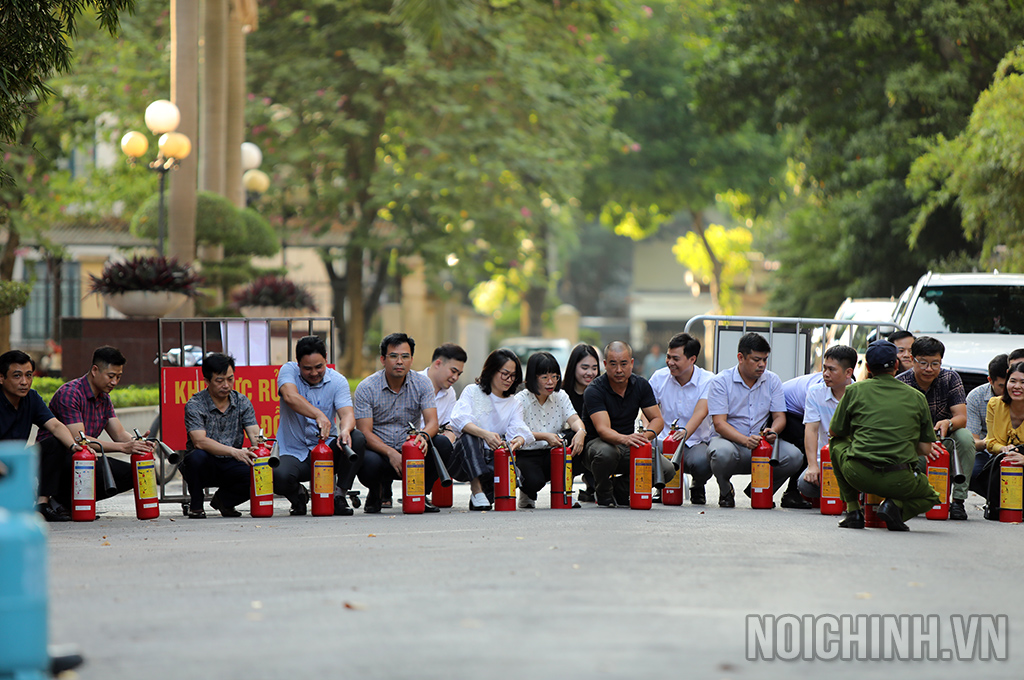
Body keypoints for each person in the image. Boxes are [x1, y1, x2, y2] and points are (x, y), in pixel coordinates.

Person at [830, 340, 940, 531]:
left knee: (836, 443)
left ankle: (853, 511)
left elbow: (835, 432)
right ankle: (895, 506)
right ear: (896, 365)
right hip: (900, 479)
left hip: (858, 474)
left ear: (868, 367)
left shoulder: (854, 390)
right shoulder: (917, 397)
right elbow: (925, 448)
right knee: (931, 497)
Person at [38, 346, 155, 517]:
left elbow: (119, 434)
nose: (114, 382)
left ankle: (66, 502)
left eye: (118, 377)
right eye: (111, 376)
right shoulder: (70, 394)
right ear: (94, 370)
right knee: (83, 461)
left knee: (133, 474)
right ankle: (52, 499)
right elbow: (79, 439)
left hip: (85, 459)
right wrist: (124, 447)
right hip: (56, 461)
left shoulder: (104, 399)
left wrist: (138, 444)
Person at [705, 333, 804, 507]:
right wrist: (744, 440)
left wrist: (774, 430)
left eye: (765, 360)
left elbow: (779, 417)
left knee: (794, 456)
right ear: (740, 357)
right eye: (756, 360)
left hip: (761, 444)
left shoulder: (772, 380)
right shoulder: (721, 382)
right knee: (721, 453)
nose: (762, 365)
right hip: (730, 443)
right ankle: (725, 489)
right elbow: (719, 424)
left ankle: (760, 489)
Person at [273, 335, 366, 516]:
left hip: (327, 451)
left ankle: (339, 496)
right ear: (298, 364)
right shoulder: (288, 370)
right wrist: (318, 414)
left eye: (319, 367)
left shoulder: (338, 380)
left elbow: (347, 414)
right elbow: (290, 396)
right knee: (277, 475)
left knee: (356, 438)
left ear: (326, 359)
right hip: (293, 452)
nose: (314, 373)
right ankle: (298, 496)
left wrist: (345, 430)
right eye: (307, 368)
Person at [354, 333, 443, 514]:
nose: (399, 362)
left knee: (442, 444)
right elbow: (364, 432)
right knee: (365, 458)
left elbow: (433, 422)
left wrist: (423, 436)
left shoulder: (423, 384)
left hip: (412, 449)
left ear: (411, 360)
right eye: (393, 356)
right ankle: (376, 491)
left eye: (405, 356)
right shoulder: (366, 387)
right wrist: (391, 453)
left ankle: (420, 493)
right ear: (383, 359)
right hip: (380, 453)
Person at [582, 341, 674, 508]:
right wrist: (626, 439)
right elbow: (603, 430)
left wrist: (643, 437)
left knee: (666, 470)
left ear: (631, 363)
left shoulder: (641, 385)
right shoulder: (594, 390)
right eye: (613, 364)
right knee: (607, 453)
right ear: (605, 364)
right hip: (598, 446)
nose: (619, 370)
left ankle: (619, 490)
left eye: (623, 364)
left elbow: (657, 420)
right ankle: (603, 491)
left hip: (627, 445)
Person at [896, 336, 976, 520]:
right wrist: (922, 444)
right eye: (923, 363)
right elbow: (898, 427)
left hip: (944, 442)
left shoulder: (950, 378)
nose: (929, 369)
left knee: (965, 437)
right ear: (912, 359)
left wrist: (948, 423)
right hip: (913, 446)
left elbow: (961, 418)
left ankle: (958, 501)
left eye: (935, 364)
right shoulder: (900, 384)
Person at [0, 350, 81, 522]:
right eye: (17, 376)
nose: (24, 382)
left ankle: (42, 504)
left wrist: (74, 447)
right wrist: (17, 477)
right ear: (1, 378)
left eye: (29, 375)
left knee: (55, 444)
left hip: (19, 461)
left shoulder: (32, 398)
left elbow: (55, 426)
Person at [449, 348, 534, 510]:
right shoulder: (472, 391)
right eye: (505, 374)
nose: (509, 379)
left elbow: (519, 429)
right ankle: (476, 489)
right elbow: (458, 420)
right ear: (492, 370)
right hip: (464, 458)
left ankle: (482, 494)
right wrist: (485, 434)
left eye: (513, 375)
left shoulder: (514, 403)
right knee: (470, 436)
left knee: (511, 469)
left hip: (492, 458)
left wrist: (518, 441)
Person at [179, 353, 261, 518]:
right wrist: (234, 451)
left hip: (231, 462)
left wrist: (259, 446)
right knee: (195, 458)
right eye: (219, 380)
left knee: (259, 472)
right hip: (206, 464)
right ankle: (196, 505)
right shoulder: (195, 404)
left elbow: (254, 433)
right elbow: (199, 441)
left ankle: (224, 501)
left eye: (230, 379)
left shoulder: (242, 401)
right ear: (207, 381)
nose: (226, 385)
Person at [648, 332, 714, 505]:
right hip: (663, 440)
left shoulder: (708, 380)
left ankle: (698, 485)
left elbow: (701, 412)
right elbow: (647, 411)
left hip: (694, 443)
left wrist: (684, 433)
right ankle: (660, 484)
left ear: (692, 359)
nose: (670, 362)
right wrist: (646, 435)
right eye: (668, 357)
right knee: (645, 449)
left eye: (675, 359)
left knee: (703, 462)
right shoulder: (659, 377)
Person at [514, 352, 586, 508]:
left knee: (576, 438)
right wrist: (545, 436)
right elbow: (516, 431)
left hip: (553, 450)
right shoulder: (520, 399)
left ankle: (565, 491)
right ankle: (527, 493)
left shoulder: (561, 396)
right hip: (527, 453)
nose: (551, 382)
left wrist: (581, 431)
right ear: (533, 378)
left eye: (554, 377)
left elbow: (574, 419)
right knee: (534, 481)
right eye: (545, 377)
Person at [797, 345, 857, 500]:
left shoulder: (860, 394)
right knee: (805, 485)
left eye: (832, 369)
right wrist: (812, 466)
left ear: (848, 372)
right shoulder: (815, 392)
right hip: (824, 460)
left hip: (853, 460)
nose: (825, 374)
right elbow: (811, 430)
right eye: (824, 368)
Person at [776, 369, 825, 509]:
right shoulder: (816, 390)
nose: (827, 373)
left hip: (797, 411)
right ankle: (791, 493)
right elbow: (815, 429)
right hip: (785, 411)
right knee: (807, 442)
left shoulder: (850, 389)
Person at [966, 354, 1010, 490]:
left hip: (1016, 450)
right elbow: (972, 440)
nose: (1007, 391)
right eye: (1001, 386)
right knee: (974, 474)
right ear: (990, 380)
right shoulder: (976, 397)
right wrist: (990, 443)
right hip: (987, 452)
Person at [562, 343, 600, 501]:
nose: (590, 373)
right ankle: (566, 485)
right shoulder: (562, 394)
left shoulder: (601, 392)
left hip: (594, 445)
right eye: (584, 367)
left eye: (594, 368)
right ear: (573, 367)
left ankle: (593, 482)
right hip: (572, 445)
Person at [984, 361, 1024, 457]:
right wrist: (1002, 448)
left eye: (1023, 382)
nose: (1017, 386)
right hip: (1002, 458)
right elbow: (990, 442)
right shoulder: (994, 404)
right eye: (1013, 381)